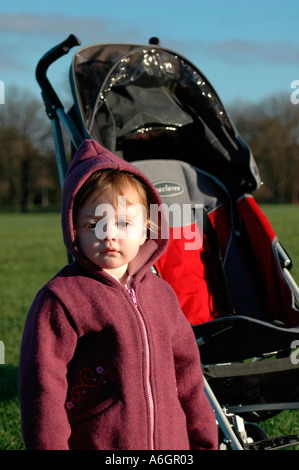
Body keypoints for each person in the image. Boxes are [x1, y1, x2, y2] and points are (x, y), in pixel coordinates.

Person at [19, 139, 218, 450]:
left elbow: (188, 376)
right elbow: (42, 388)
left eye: (124, 222)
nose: (109, 233)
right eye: (94, 224)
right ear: (74, 229)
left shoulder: (162, 295)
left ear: (145, 230)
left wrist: (203, 440)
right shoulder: (62, 299)